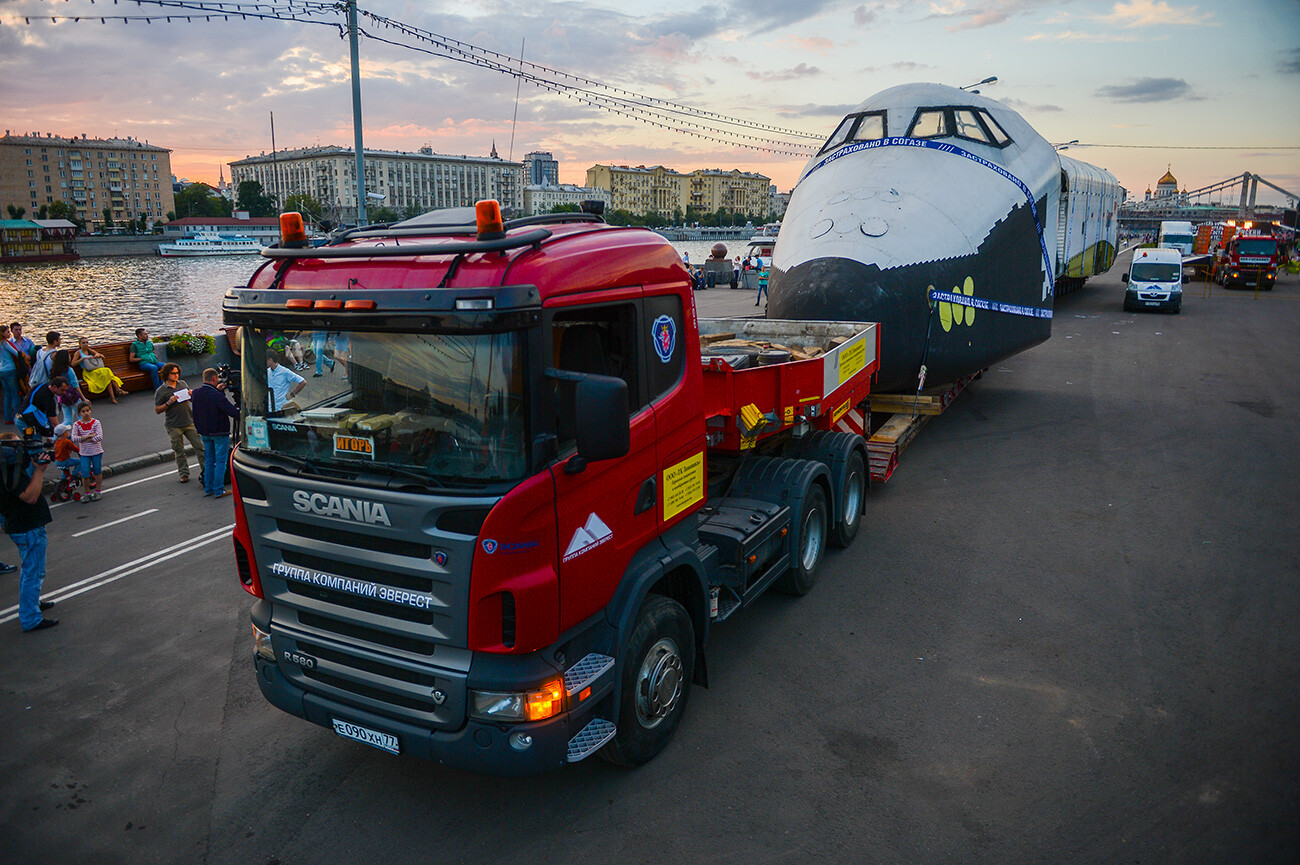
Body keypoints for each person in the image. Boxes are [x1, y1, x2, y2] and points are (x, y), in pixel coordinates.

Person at [0, 432, 57, 631]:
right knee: (33, 572)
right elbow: (30, 496)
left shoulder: (7, 469)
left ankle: (32, 602)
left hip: (20, 526)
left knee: (31, 569)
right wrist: (40, 471)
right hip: (28, 527)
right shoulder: (10, 472)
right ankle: (31, 618)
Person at [192, 368, 239, 499]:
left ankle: (208, 489)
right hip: (219, 432)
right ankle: (219, 490)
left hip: (204, 432)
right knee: (220, 462)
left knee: (209, 461)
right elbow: (232, 411)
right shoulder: (216, 395)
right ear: (214, 379)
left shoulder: (196, 393)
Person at [154, 363, 203, 484]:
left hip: (189, 421)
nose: (176, 375)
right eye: (173, 373)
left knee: (200, 447)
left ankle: (206, 470)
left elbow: (190, 400)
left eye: (177, 373)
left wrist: (192, 395)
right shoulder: (161, 391)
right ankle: (184, 473)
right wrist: (168, 403)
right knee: (179, 451)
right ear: (166, 375)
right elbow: (157, 410)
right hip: (173, 425)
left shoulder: (183, 384)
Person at [74, 337, 128, 403]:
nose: (85, 344)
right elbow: (73, 363)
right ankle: (117, 390)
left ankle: (113, 396)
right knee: (107, 372)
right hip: (88, 372)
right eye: (83, 343)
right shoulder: (78, 353)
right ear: (80, 344)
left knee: (107, 375)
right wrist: (82, 359)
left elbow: (103, 357)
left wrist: (98, 355)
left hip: (97, 370)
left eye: (87, 342)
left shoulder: (90, 350)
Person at [70, 401, 103, 502]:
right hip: (84, 452)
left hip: (96, 451)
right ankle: (87, 492)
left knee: (97, 471)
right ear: (79, 413)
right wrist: (89, 436)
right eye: (83, 411)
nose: (86, 413)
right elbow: (74, 438)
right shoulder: (77, 424)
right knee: (85, 473)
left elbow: (99, 436)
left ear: (90, 411)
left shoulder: (96, 422)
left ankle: (97, 491)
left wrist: (82, 438)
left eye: (87, 410)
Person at [48, 350, 83, 426]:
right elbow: (75, 384)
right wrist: (83, 397)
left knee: (67, 420)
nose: (70, 357)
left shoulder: (54, 370)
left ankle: (55, 435)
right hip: (73, 395)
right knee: (81, 417)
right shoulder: (69, 370)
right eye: (69, 356)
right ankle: (83, 434)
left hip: (62, 397)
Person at [0, 325, 22, 425]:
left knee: (7, 395)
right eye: (7, 332)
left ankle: (8, 418)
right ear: (2, 333)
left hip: (1, 370)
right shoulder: (4, 343)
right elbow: (16, 353)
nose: (9, 334)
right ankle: (17, 417)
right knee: (15, 394)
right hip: (10, 369)